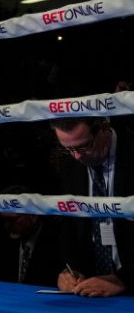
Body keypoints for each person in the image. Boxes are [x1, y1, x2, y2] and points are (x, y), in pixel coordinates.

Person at [51, 117, 133, 297]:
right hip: (92, 291)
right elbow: (69, 227)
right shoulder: (70, 166)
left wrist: (124, 280)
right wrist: (69, 270)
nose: (77, 156)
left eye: (84, 146)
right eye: (68, 149)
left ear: (104, 128)